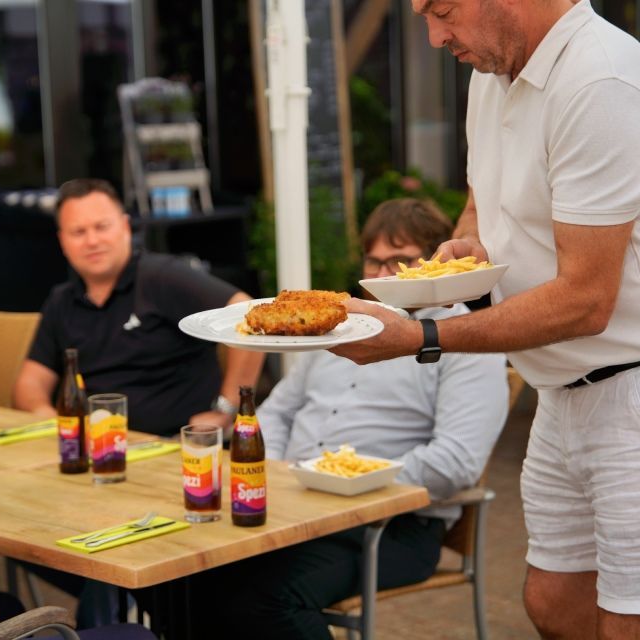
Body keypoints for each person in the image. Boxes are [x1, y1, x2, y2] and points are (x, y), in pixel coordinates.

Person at [332, 2, 640, 639]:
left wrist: (424, 336)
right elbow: (481, 200)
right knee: (551, 602)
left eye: (441, 11)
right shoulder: (490, 74)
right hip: (562, 387)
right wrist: (470, 248)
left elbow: (585, 299)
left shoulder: (603, 81)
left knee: (633, 622)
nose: (435, 37)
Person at [189, 198, 510, 639]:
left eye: (400, 261)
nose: (382, 276)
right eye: (374, 261)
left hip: (392, 527)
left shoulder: (461, 338)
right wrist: (277, 476)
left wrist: (346, 485)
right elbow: (277, 413)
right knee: (185, 578)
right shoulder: (339, 323)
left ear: (436, 263)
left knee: (262, 598)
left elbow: (455, 462)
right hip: (295, 510)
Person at [13, 178, 265, 436]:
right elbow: (31, 381)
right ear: (62, 241)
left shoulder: (163, 277)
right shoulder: (62, 300)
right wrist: (47, 416)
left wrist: (226, 409)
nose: (92, 241)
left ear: (124, 226)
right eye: (78, 232)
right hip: (97, 446)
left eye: (102, 227)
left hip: (175, 444)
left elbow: (247, 313)